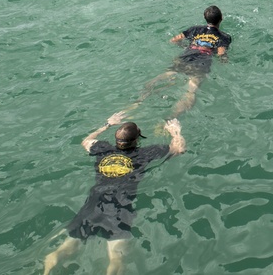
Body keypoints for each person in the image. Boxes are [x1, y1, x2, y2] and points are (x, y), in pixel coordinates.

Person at [42, 112, 184, 275]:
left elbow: (85, 141)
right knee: (117, 260)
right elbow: (179, 149)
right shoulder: (147, 153)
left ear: (117, 140)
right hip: (119, 207)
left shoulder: (103, 149)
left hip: (94, 203)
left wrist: (107, 124)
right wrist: (175, 131)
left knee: (65, 249)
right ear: (138, 139)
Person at [132, 6, 233, 118]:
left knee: (162, 77)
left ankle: (137, 102)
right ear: (221, 18)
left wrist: (186, 47)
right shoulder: (224, 37)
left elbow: (174, 40)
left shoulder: (194, 29)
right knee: (190, 92)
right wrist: (225, 61)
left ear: (205, 18)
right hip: (201, 63)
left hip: (185, 57)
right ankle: (171, 118)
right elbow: (221, 54)